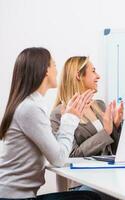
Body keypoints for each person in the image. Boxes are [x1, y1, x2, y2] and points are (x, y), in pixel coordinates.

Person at [0, 47, 101, 199]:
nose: (57, 70)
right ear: (45, 70)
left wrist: (68, 117)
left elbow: (54, 149)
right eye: (53, 65)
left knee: (89, 195)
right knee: (89, 197)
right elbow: (59, 159)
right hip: (14, 198)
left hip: (17, 195)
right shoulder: (30, 108)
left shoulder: (31, 105)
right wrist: (70, 119)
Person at [50, 56, 123, 193]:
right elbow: (70, 155)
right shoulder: (59, 114)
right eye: (93, 71)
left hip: (109, 176)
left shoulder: (99, 105)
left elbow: (111, 151)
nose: (98, 76)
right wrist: (106, 131)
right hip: (82, 183)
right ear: (78, 75)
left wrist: (116, 126)